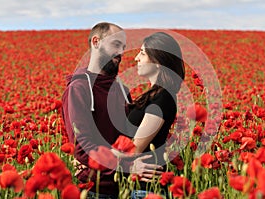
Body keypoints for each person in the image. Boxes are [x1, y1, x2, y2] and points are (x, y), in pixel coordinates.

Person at [61, 22, 162, 199]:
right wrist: (129, 166)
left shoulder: (122, 89)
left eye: (123, 47)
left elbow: (131, 140)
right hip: (96, 190)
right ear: (96, 42)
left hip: (127, 187)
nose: (121, 52)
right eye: (116, 45)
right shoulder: (79, 89)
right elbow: (83, 148)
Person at [112, 32, 185, 199]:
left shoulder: (163, 98)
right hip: (140, 187)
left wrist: (92, 156)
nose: (136, 58)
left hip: (146, 190)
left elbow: (133, 148)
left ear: (158, 61)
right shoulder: (155, 95)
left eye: (142, 53)